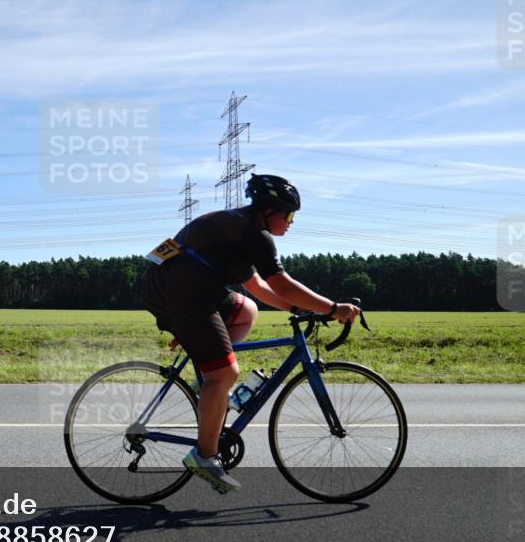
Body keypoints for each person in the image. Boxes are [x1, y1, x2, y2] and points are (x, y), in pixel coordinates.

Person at [140, 174, 360, 493]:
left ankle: (210, 386)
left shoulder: (241, 227)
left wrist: (298, 309)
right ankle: (204, 454)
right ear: (271, 212)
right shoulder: (254, 232)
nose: (292, 222)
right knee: (225, 372)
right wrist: (332, 308)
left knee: (246, 310)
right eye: (290, 215)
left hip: (184, 284)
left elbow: (259, 288)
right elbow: (283, 284)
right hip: (179, 290)